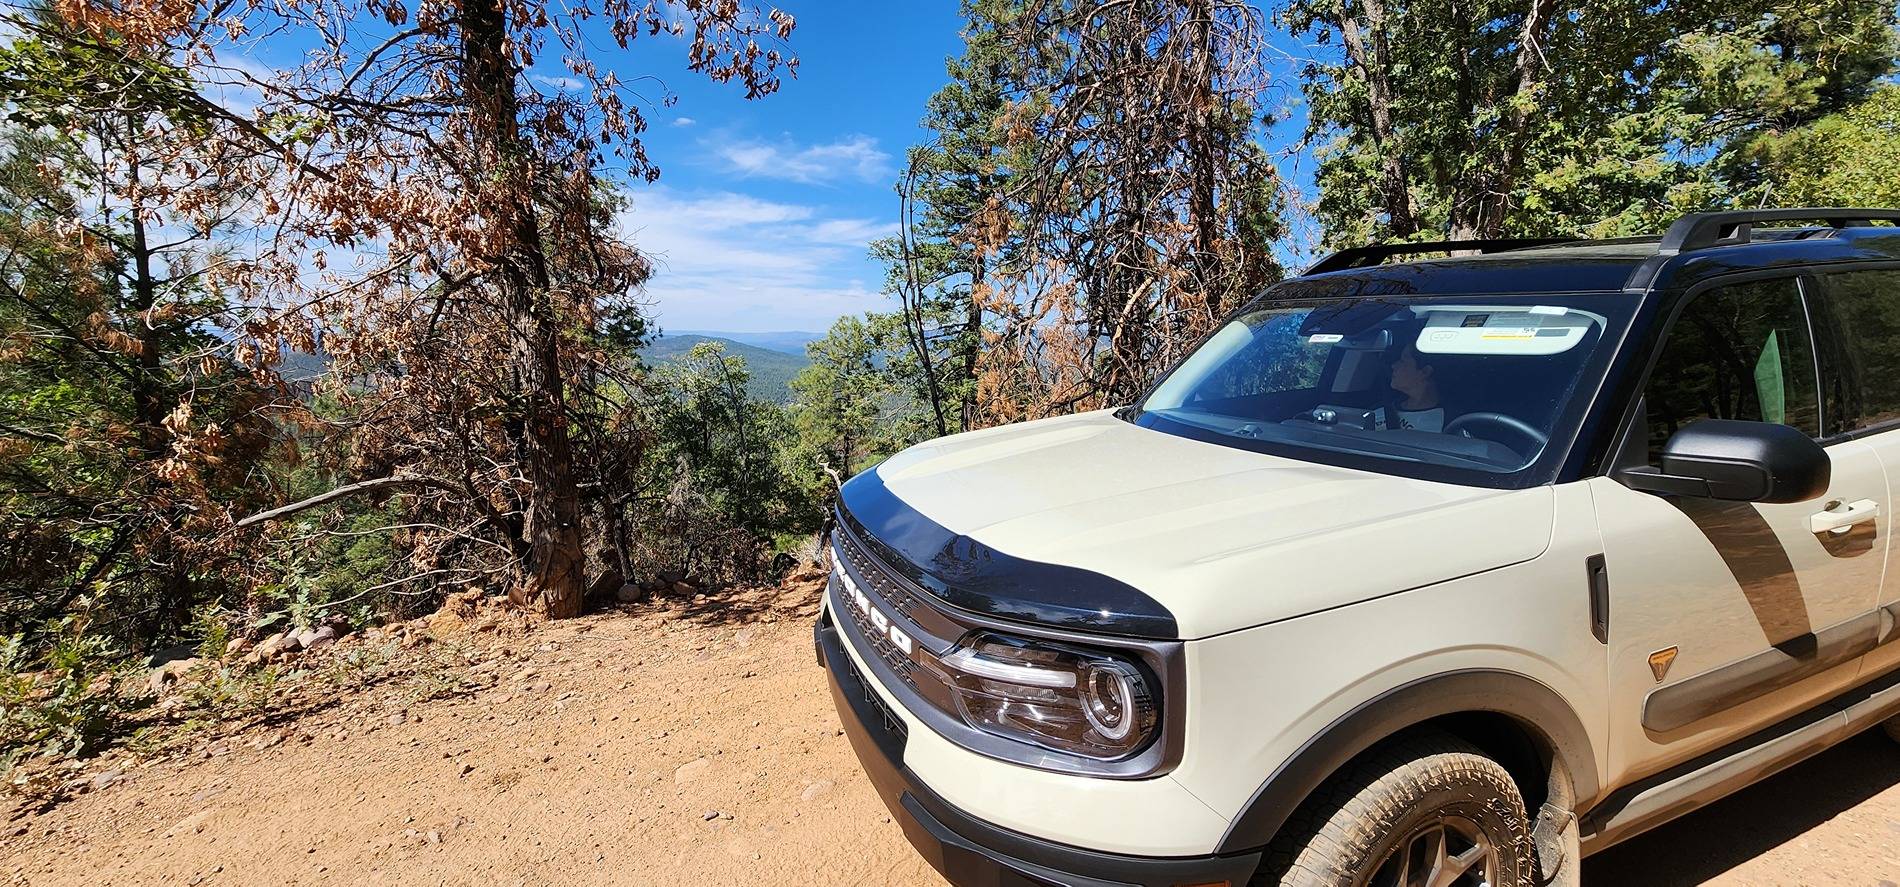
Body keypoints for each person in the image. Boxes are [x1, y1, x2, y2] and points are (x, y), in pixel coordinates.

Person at [1379, 341, 1447, 432]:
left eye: (1403, 361)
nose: (1393, 366)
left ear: (1425, 372)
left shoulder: (1450, 424)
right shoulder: (1377, 408)